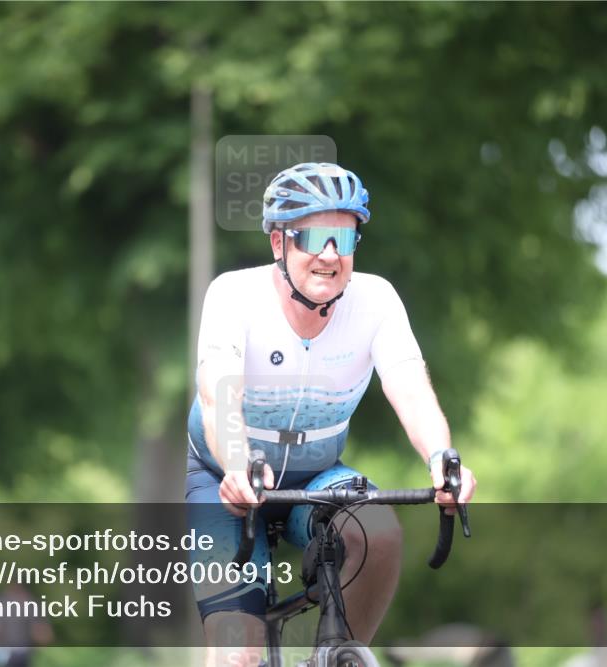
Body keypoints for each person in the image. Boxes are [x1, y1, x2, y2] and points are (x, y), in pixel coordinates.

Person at [185, 162, 478, 667]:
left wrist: (440, 457)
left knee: (379, 531)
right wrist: (235, 466)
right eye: (314, 237)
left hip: (317, 477)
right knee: (237, 654)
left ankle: (340, 655)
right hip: (225, 480)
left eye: (344, 239)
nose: (329, 255)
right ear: (278, 243)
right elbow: (219, 396)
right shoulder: (234, 296)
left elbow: (408, 385)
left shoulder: (376, 300)